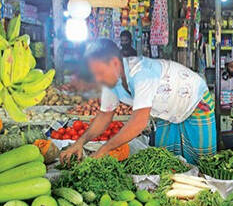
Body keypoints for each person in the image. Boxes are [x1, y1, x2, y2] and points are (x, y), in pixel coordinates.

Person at [60, 38, 216, 164]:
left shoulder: (142, 74)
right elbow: (104, 116)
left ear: (114, 63)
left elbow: (138, 122)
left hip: (194, 102)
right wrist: (80, 142)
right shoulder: (109, 80)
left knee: (202, 163)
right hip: (167, 113)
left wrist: (104, 150)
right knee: (167, 163)